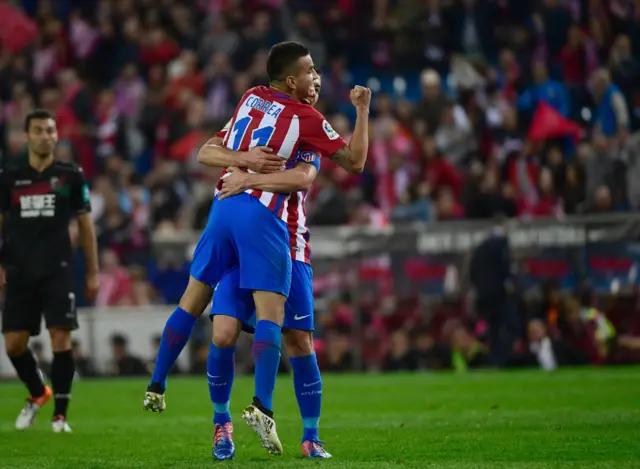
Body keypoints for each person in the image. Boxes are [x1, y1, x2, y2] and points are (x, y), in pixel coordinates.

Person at [143, 41, 369, 457]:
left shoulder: (277, 111)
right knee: (225, 331)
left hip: (287, 241)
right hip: (255, 231)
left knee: (300, 340)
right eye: (310, 71)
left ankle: (310, 436)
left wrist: (244, 176)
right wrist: (244, 161)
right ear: (291, 79)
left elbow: (301, 179)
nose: (316, 78)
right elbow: (353, 162)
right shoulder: (293, 113)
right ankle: (227, 422)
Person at [0, 109, 99, 433]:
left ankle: (60, 416)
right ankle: (37, 391)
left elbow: (85, 225)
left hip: (58, 268)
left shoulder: (70, 175)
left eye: (51, 130)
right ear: (26, 136)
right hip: (19, 269)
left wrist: (93, 272)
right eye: (40, 130)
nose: (46, 136)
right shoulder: (10, 176)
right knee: (14, 344)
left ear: (57, 135)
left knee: (61, 338)